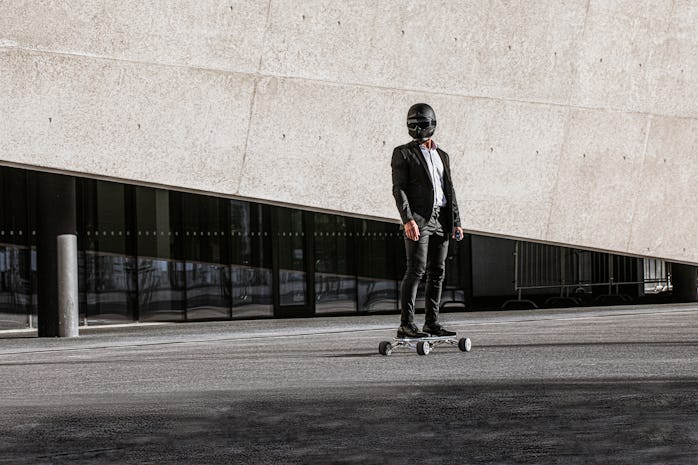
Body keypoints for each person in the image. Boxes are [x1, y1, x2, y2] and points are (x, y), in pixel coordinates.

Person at [391, 103, 464, 338]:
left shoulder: (442, 155)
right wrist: (408, 219)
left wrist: (456, 221)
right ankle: (407, 324)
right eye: (413, 124)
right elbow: (398, 189)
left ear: (431, 124)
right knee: (416, 270)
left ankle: (432, 323)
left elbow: (448, 190)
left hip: (442, 219)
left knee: (438, 271)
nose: (418, 128)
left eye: (422, 123)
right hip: (419, 220)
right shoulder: (402, 153)